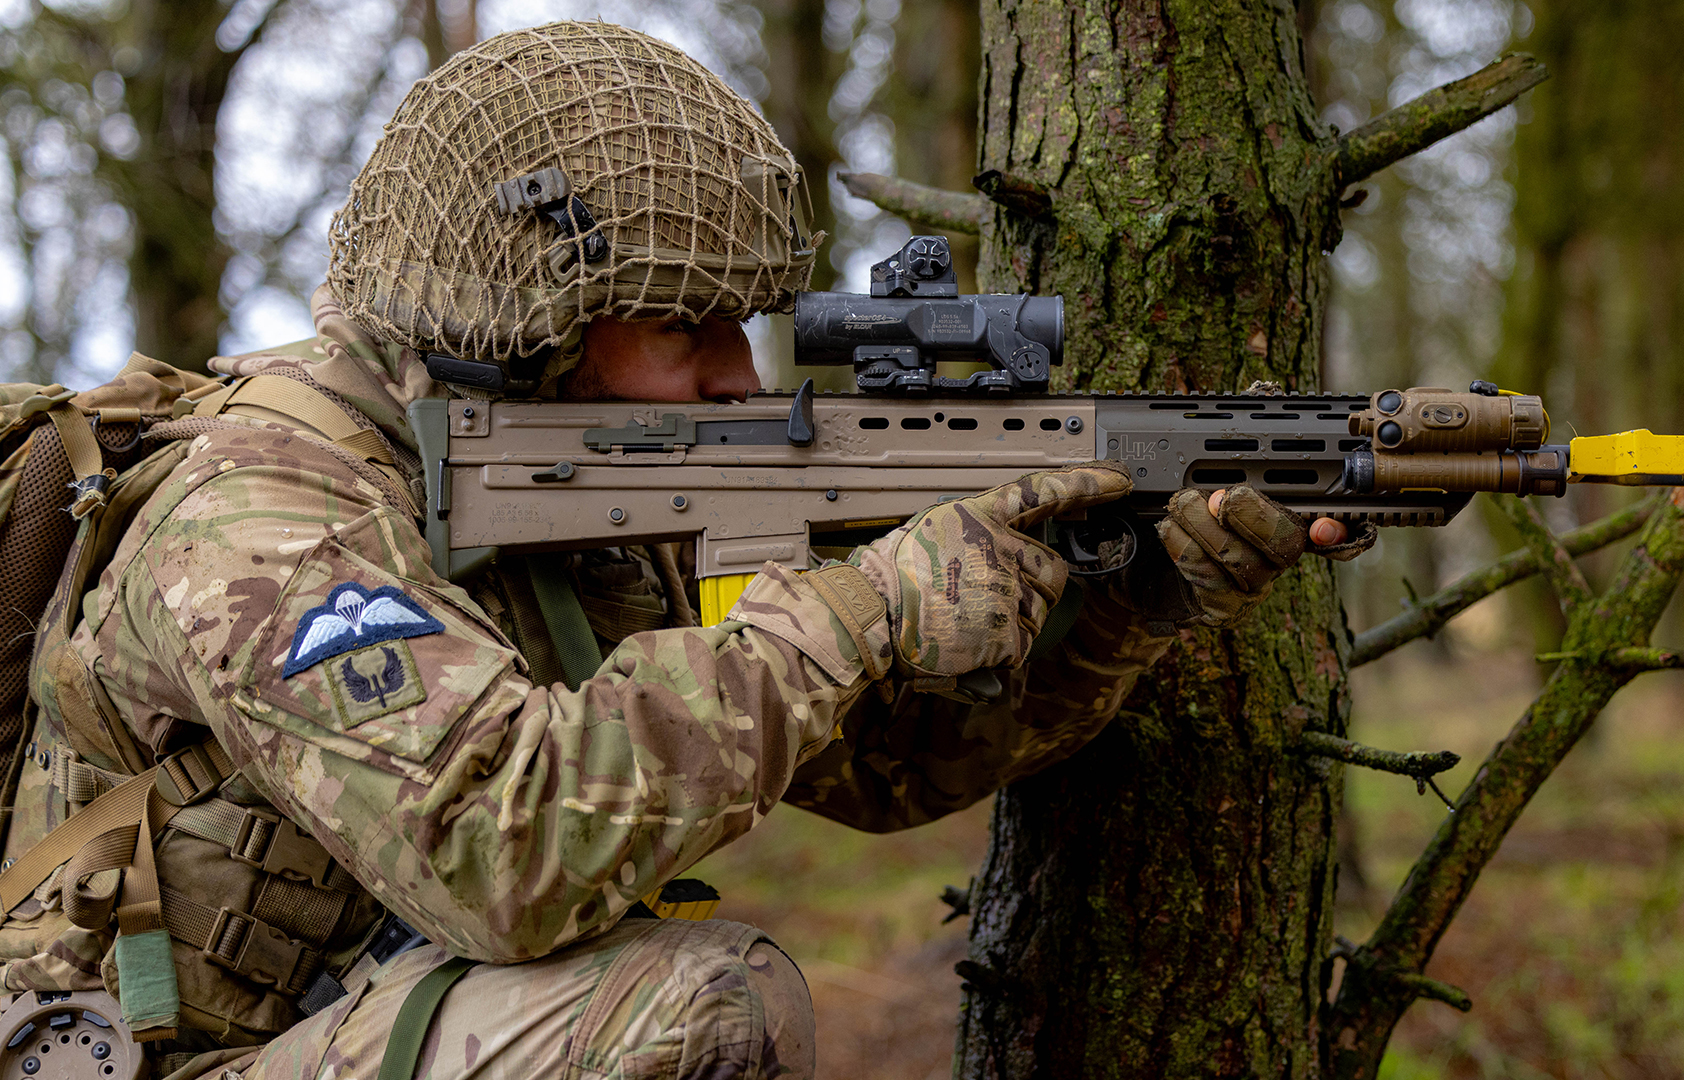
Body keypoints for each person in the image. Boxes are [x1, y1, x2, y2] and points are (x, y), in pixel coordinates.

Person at [0, 21, 1369, 1080]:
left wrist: (1133, 597)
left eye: (747, 324)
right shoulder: (265, 510)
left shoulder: (570, 487)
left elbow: (885, 767)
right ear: (522, 316)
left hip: (338, 1024)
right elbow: (502, 849)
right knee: (693, 1004)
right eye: (684, 329)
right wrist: (866, 603)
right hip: (165, 1057)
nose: (738, 377)